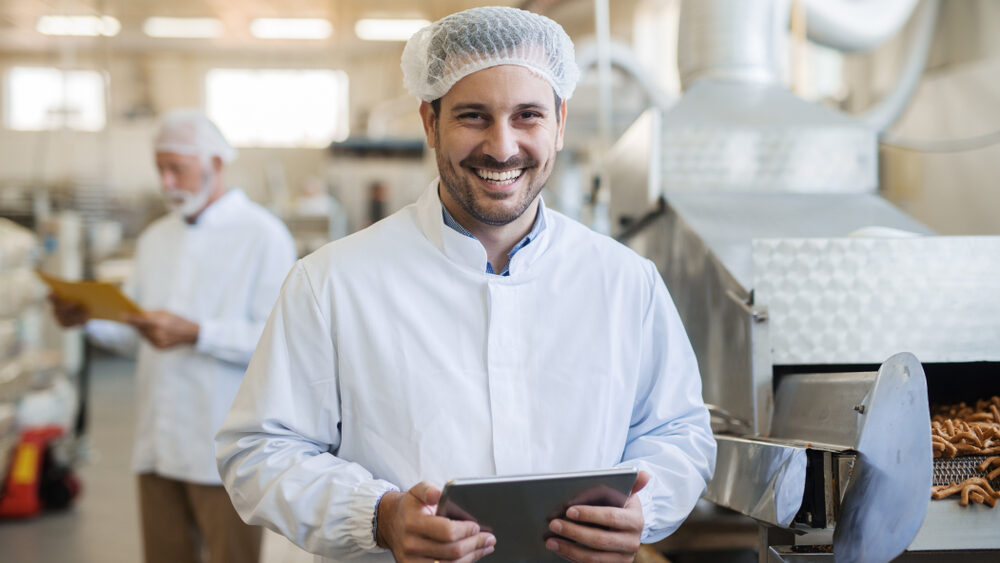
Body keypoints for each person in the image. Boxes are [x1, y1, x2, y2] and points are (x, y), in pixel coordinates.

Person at [215, 6, 716, 563]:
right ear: (429, 122)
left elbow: (679, 431)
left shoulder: (625, 282)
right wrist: (378, 515)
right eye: (473, 116)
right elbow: (260, 451)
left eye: (527, 116)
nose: (502, 148)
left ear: (560, 121)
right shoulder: (332, 282)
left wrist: (646, 508)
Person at [49, 109, 297, 563]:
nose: (165, 183)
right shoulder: (155, 238)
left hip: (225, 450)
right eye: (159, 168)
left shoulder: (263, 236)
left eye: (176, 169)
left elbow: (277, 341)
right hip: (158, 444)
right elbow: (134, 332)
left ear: (215, 164)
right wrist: (85, 317)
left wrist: (197, 333)